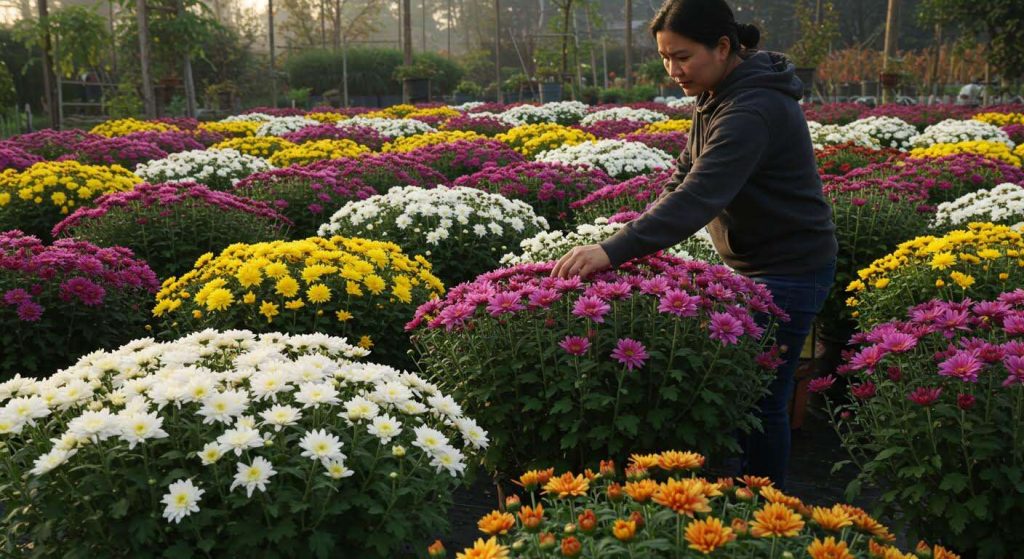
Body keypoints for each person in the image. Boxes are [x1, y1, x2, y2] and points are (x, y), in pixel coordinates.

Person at [551, 0, 838, 488]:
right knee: (750, 392)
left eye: (682, 57)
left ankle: (766, 506)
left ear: (723, 46)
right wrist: (636, 235)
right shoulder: (718, 93)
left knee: (762, 398)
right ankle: (749, 495)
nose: (672, 70)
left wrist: (612, 250)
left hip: (790, 269)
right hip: (756, 263)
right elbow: (683, 177)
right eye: (665, 57)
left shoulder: (753, 108)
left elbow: (700, 197)